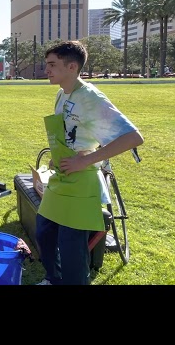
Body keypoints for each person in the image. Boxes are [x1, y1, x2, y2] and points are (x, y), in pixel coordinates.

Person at [36, 40, 143, 285]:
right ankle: (54, 278)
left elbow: (133, 137)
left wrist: (87, 160)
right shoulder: (62, 93)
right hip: (61, 178)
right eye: (47, 65)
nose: (47, 70)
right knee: (44, 233)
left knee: (72, 248)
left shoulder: (91, 98)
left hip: (82, 183)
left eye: (52, 65)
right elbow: (70, 131)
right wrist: (58, 155)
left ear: (72, 67)